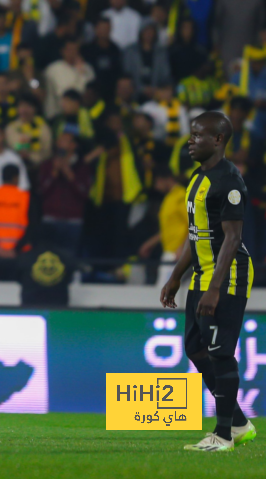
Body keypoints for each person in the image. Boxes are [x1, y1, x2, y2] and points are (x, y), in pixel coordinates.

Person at [160, 111, 256, 452]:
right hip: (202, 274)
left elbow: (232, 238)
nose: (190, 141)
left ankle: (224, 435)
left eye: (198, 135)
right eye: (191, 134)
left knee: (220, 352)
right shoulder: (198, 178)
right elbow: (195, 233)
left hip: (227, 276)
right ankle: (241, 423)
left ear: (217, 140)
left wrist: (215, 288)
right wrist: (175, 277)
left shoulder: (229, 181)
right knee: (194, 348)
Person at [38, 130, 91, 251]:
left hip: (73, 221)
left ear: (74, 145)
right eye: (59, 140)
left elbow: (84, 193)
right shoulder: (47, 165)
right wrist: (54, 173)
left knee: (69, 257)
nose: (61, 143)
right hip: (50, 219)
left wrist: (69, 174)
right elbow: (42, 191)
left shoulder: (82, 167)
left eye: (65, 141)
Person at [44, 37, 95, 119]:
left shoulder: (87, 68)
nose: (73, 52)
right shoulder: (54, 69)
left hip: (84, 115)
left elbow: (90, 93)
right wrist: (80, 74)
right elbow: (67, 96)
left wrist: (81, 71)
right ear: (63, 51)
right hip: (58, 116)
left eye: (76, 49)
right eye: (70, 49)